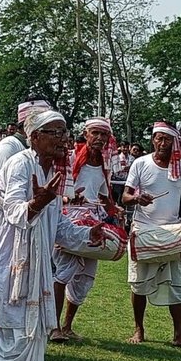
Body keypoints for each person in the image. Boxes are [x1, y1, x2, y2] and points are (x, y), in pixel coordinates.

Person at [0, 109, 106, 361]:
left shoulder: (52, 172)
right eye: (54, 132)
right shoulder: (20, 165)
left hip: (34, 273)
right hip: (11, 268)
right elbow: (18, 214)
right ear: (34, 138)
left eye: (64, 132)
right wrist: (39, 200)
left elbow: (56, 224)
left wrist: (87, 236)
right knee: (9, 339)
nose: (63, 138)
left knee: (27, 339)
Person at [124, 121, 181, 352]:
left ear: (174, 142)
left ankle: (179, 334)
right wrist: (137, 198)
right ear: (153, 140)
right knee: (138, 284)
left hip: (172, 232)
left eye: (166, 139)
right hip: (143, 229)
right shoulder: (140, 163)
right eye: (158, 138)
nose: (162, 143)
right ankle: (139, 329)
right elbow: (125, 196)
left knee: (176, 285)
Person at [52, 116, 118, 342]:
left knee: (85, 277)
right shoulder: (69, 158)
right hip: (70, 221)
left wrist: (113, 207)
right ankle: (53, 327)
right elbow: (56, 188)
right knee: (62, 274)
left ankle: (67, 325)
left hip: (93, 223)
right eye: (95, 134)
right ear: (86, 134)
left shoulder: (102, 164)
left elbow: (101, 194)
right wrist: (71, 197)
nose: (99, 139)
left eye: (104, 135)